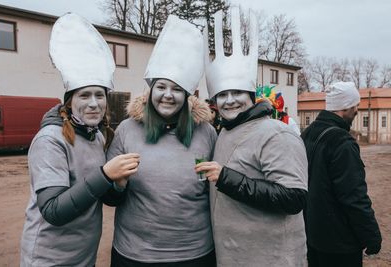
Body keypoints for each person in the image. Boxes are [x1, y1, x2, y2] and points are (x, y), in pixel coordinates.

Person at [20, 13, 139, 267]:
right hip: (48, 258)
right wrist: (106, 175)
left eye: (100, 95)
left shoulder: (96, 136)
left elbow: (105, 198)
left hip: (83, 256)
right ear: (70, 101)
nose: (94, 103)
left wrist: (118, 184)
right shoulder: (50, 140)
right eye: (84, 95)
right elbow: (53, 210)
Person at [195, 9, 308, 266]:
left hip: (272, 258)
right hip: (234, 257)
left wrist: (227, 178)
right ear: (214, 102)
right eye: (222, 94)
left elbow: (293, 197)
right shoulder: (225, 132)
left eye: (237, 92)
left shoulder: (276, 133)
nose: (230, 100)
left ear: (251, 95)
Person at [106, 15, 217, 267]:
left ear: (187, 95)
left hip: (195, 254)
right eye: (161, 87)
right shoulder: (127, 130)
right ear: (151, 90)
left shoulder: (206, 133)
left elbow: (215, 190)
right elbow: (110, 197)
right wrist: (118, 185)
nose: (168, 95)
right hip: (135, 255)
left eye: (177, 89)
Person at [300, 81, 382, 267]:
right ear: (345, 107)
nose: (356, 111)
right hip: (339, 243)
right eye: (355, 106)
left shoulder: (307, 133)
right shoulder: (342, 142)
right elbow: (354, 196)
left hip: (313, 236)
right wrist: (371, 235)